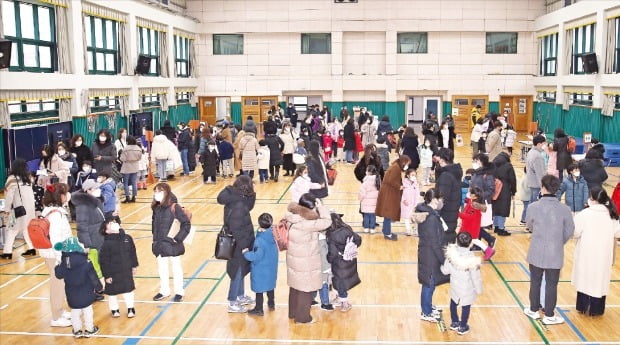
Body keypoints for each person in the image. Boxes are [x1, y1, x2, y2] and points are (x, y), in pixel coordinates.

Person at [523, 175, 574, 325]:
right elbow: (569, 230)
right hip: (555, 252)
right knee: (552, 284)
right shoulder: (564, 209)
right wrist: (559, 242)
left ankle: (533, 310)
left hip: (536, 251)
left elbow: (529, 226)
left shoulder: (533, 207)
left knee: (535, 281)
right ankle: (550, 315)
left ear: (543, 188)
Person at [572, 187, 620, 316]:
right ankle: (596, 310)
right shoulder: (611, 215)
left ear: (592, 199)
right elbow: (618, 232)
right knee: (599, 280)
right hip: (603, 255)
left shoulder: (584, 214)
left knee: (585, 279)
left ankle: (582, 306)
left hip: (586, 253)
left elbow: (575, 232)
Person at [286, 193, 333, 324]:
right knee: (305, 288)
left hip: (294, 257)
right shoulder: (307, 222)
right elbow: (327, 222)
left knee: (295, 286)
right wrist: (322, 207)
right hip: (305, 259)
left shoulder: (292, 216)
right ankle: (302, 318)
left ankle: (293, 313)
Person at [217, 176, 257, 313]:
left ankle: (240, 296)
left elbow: (250, 206)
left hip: (240, 242)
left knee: (242, 269)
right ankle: (233, 302)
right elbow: (237, 228)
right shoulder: (238, 205)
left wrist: (253, 193)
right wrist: (245, 246)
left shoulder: (238, 198)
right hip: (238, 245)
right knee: (237, 272)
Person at [38, 183, 73, 327]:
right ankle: (56, 317)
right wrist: (60, 258)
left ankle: (60, 309)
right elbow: (56, 238)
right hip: (55, 255)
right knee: (57, 284)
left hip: (54, 253)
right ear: (60, 196)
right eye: (65, 193)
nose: (68, 195)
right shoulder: (55, 215)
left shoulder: (51, 211)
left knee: (61, 283)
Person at [54, 237, 102, 338]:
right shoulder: (86, 262)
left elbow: (58, 275)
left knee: (75, 312)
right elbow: (93, 277)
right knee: (88, 311)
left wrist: (57, 265)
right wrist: (99, 287)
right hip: (87, 292)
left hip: (72, 294)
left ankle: (77, 331)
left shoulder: (64, 263)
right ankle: (89, 329)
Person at [412, 188, 449, 322]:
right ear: (434, 200)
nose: (442, 202)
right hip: (430, 255)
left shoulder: (428, 213)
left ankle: (427, 306)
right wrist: (444, 259)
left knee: (430, 283)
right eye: (441, 200)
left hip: (428, 252)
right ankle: (425, 312)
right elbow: (434, 242)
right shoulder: (431, 218)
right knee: (429, 283)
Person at [151, 183, 191, 303]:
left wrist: (178, 238)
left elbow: (186, 224)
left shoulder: (175, 207)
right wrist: (154, 239)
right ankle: (164, 290)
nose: (156, 194)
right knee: (162, 269)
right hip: (159, 243)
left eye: (159, 191)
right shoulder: (156, 208)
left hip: (173, 244)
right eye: (155, 191)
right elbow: (154, 225)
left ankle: (179, 291)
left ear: (166, 192)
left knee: (176, 268)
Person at [440, 232, 483, 335]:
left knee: (453, 303)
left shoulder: (451, 255)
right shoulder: (472, 259)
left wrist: (441, 267)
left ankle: (454, 322)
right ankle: (463, 326)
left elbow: (445, 271)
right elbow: (475, 277)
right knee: (466, 306)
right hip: (467, 288)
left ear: (457, 242)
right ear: (470, 243)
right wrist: (478, 289)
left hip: (455, 285)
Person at [99, 217, 138, 318]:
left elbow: (133, 253)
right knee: (112, 293)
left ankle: (130, 308)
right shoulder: (106, 244)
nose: (113, 223)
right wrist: (107, 275)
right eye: (110, 223)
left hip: (126, 270)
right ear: (106, 230)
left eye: (114, 222)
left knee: (128, 290)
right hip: (113, 272)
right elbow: (103, 261)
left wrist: (134, 265)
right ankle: (114, 309)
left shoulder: (127, 238)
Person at [243, 213, 278, 316]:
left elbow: (256, 256)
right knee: (270, 287)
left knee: (259, 290)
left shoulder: (260, 240)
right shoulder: (273, 235)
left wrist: (246, 253)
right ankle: (271, 303)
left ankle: (259, 309)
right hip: (271, 267)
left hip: (261, 270)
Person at [1, 159, 37, 259]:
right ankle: (31, 249)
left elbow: (9, 196)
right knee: (26, 229)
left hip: (17, 209)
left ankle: (7, 253)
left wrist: (6, 210)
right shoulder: (29, 178)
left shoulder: (12, 178)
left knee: (12, 230)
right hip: (29, 209)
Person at [327, 212, 362, 312]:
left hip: (339, 263)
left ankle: (344, 303)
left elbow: (332, 253)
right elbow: (358, 239)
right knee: (343, 281)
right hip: (349, 260)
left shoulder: (331, 235)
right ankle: (340, 298)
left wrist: (328, 259)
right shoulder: (347, 229)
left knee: (340, 282)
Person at [376, 155, 410, 241]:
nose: (407, 166)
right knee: (388, 214)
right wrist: (399, 187)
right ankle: (387, 233)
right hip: (389, 194)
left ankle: (386, 231)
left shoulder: (396, 166)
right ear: (403, 162)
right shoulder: (396, 168)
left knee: (388, 214)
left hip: (388, 193)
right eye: (407, 164)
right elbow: (391, 180)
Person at [434, 148, 463, 243]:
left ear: (442, 160)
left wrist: (433, 210)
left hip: (445, 213)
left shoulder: (445, 176)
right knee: (450, 236)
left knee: (444, 240)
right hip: (452, 211)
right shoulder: (455, 172)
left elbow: (441, 199)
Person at [459, 186, 495, 260]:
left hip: (470, 228)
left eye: (471, 193)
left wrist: (459, 214)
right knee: (474, 240)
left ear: (475, 196)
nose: (469, 194)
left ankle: (488, 250)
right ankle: (488, 250)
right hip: (470, 227)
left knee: (468, 240)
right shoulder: (472, 202)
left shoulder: (474, 205)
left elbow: (468, 217)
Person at [470, 154, 497, 247]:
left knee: (477, 225)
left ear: (481, 162)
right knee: (475, 224)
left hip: (482, 203)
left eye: (476, 161)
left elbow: (491, 190)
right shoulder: (476, 173)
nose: (474, 163)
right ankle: (479, 243)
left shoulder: (487, 175)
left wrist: (479, 196)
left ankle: (487, 240)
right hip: (475, 202)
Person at [492, 152, 516, 236]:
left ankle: (496, 226)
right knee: (503, 209)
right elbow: (512, 180)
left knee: (495, 208)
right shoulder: (508, 166)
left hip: (495, 188)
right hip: (505, 188)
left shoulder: (493, 164)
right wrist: (513, 191)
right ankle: (501, 228)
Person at [526, 135, 548, 205]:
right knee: (535, 206)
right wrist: (543, 187)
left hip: (531, 183)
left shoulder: (531, 152)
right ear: (539, 144)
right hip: (537, 186)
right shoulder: (538, 157)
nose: (545, 146)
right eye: (544, 144)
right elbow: (540, 174)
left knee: (531, 205)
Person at [359, 165, 381, 234]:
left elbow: (362, 192)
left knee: (366, 216)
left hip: (366, 202)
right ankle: (372, 228)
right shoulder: (378, 180)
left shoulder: (366, 181)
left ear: (368, 172)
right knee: (373, 216)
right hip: (374, 202)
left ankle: (366, 228)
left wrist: (360, 199)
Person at [119, 136, 141, 203]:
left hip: (127, 167)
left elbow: (122, 159)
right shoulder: (138, 148)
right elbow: (139, 158)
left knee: (126, 183)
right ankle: (134, 197)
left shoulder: (126, 149)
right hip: (135, 167)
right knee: (134, 182)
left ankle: (127, 197)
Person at [401, 169, 420, 236]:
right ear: (408, 175)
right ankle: (408, 230)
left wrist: (417, 203)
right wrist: (403, 200)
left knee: (415, 217)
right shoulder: (403, 183)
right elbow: (400, 193)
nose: (414, 176)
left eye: (415, 175)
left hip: (414, 203)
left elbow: (417, 194)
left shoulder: (416, 183)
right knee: (406, 217)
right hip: (406, 203)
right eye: (412, 175)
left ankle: (416, 230)